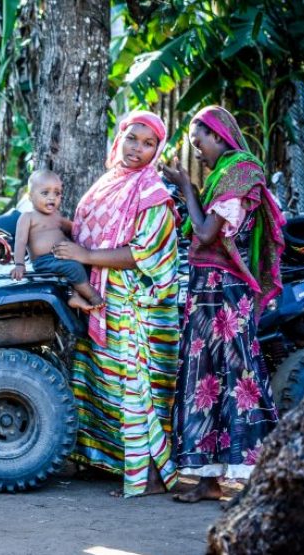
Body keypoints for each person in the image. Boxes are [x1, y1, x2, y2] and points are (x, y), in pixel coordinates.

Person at [159, 105, 285, 503]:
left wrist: (186, 188)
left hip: (228, 294)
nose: (198, 152)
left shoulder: (240, 173)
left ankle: (256, 474)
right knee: (204, 381)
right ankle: (208, 479)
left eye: (201, 143)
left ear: (220, 136)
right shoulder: (221, 176)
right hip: (205, 292)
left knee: (239, 378)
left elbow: (206, 231)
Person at [52, 111, 181, 497]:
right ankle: (110, 462)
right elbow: (97, 231)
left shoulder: (152, 192)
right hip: (104, 300)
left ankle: (151, 477)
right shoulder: (110, 182)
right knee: (101, 381)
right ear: (119, 137)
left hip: (138, 308)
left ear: (157, 151)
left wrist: (84, 254)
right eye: (132, 139)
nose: (137, 150)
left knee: (136, 389)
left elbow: (144, 254)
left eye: (148, 144)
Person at [10, 169, 104, 312]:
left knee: (84, 265)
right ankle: (93, 297)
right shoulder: (28, 217)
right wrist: (19, 264)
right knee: (73, 268)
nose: (52, 198)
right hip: (45, 260)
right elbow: (20, 241)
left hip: (62, 256)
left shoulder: (57, 216)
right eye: (45, 193)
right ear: (30, 197)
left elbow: (73, 228)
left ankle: (74, 296)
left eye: (57, 193)